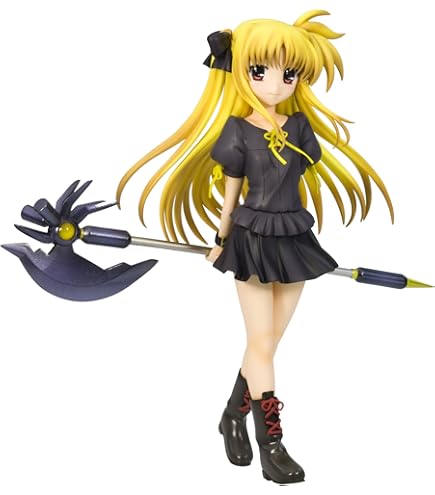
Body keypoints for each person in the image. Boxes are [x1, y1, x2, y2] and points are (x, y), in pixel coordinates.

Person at [116, 10, 394, 484]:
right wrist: (221, 239)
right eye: (261, 70)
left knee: (266, 342)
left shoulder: (300, 127)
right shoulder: (237, 130)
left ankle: (231, 415)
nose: (276, 83)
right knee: (262, 343)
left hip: (294, 237)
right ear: (242, 70)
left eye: (290, 73)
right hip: (251, 239)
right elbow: (232, 191)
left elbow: (299, 181)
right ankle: (273, 446)